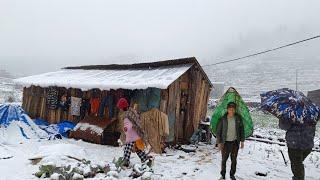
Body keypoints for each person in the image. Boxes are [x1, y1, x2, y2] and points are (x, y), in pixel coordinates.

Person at [116, 98, 150, 167]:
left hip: (132, 134)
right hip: (133, 134)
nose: (120, 109)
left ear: (123, 107)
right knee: (137, 148)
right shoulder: (130, 112)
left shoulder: (129, 113)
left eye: (121, 108)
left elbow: (131, 124)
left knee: (127, 149)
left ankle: (125, 161)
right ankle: (145, 159)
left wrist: (126, 128)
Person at [216, 102, 245, 180]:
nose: (231, 111)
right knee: (224, 160)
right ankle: (223, 175)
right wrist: (219, 142)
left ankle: (232, 175)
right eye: (230, 109)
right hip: (225, 143)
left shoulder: (238, 118)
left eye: (233, 109)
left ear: (235, 110)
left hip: (235, 142)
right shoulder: (223, 119)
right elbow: (218, 132)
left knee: (234, 160)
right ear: (227, 109)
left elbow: (242, 130)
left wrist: (242, 141)